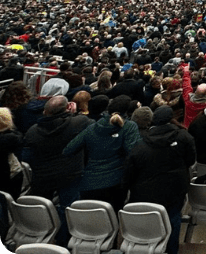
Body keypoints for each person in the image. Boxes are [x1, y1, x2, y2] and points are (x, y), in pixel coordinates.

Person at [125, 106, 196, 254]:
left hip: (146, 189)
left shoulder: (141, 142)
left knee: (150, 217)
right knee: (173, 218)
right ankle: (171, 250)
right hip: (174, 188)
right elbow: (190, 160)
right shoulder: (183, 137)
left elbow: (131, 168)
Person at [22, 95, 92, 244]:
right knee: (68, 209)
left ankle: (37, 237)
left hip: (43, 176)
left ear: (45, 111)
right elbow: (91, 125)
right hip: (70, 175)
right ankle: (62, 241)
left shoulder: (33, 131)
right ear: (67, 108)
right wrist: (75, 113)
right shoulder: (79, 122)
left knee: (40, 208)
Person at [63, 96, 141, 212]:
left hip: (89, 183)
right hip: (115, 184)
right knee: (111, 225)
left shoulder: (92, 128)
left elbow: (68, 150)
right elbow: (133, 152)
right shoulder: (129, 127)